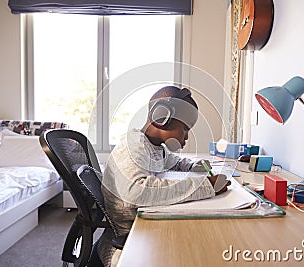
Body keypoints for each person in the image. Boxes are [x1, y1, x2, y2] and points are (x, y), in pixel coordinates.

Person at [97, 86, 231, 266]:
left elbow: (173, 162)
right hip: (126, 244)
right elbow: (136, 193)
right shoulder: (133, 146)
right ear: (162, 117)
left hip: (144, 232)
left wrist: (196, 167)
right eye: (185, 128)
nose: (187, 137)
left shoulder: (153, 146)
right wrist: (206, 185)